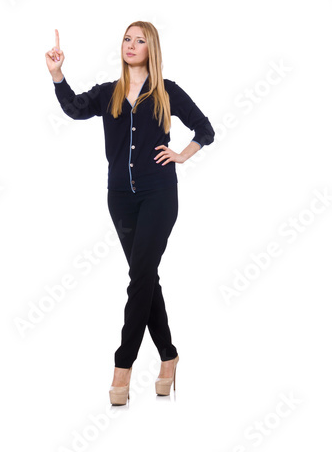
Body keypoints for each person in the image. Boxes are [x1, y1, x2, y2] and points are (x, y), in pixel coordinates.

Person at [45, 22, 214, 405]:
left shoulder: (168, 91)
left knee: (139, 277)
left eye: (140, 40)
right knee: (145, 277)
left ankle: (123, 366)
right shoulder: (109, 93)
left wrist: (181, 155)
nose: (131, 45)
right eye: (127, 39)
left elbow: (205, 128)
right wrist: (57, 74)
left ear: (151, 48)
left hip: (159, 195)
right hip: (120, 198)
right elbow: (74, 108)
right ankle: (169, 357)